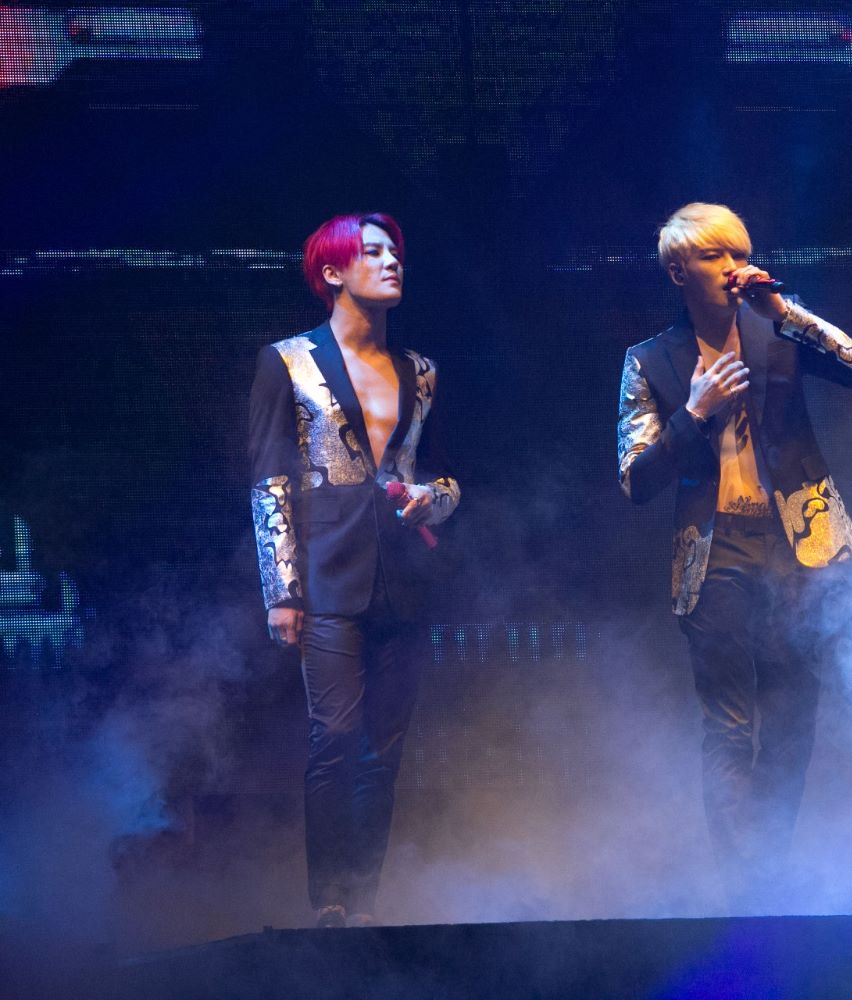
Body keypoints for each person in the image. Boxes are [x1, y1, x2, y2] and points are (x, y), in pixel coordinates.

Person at [616, 202, 852, 908]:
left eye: (741, 252)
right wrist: (693, 412)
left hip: (798, 547)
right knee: (729, 723)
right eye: (716, 255)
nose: (734, 267)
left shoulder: (777, 331)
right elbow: (635, 479)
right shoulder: (650, 360)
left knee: (793, 717)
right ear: (679, 272)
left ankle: (769, 873)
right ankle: (743, 888)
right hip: (716, 550)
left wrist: (785, 311)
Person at [248, 212, 459, 927]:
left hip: (403, 578)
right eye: (373, 252)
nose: (392, 260)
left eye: (395, 250)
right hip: (326, 576)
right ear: (333, 272)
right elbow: (270, 481)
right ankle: (329, 901)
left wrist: (434, 500)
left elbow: (447, 475)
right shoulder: (288, 362)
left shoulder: (421, 372)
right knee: (334, 737)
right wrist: (283, 590)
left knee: (383, 752)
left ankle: (363, 906)